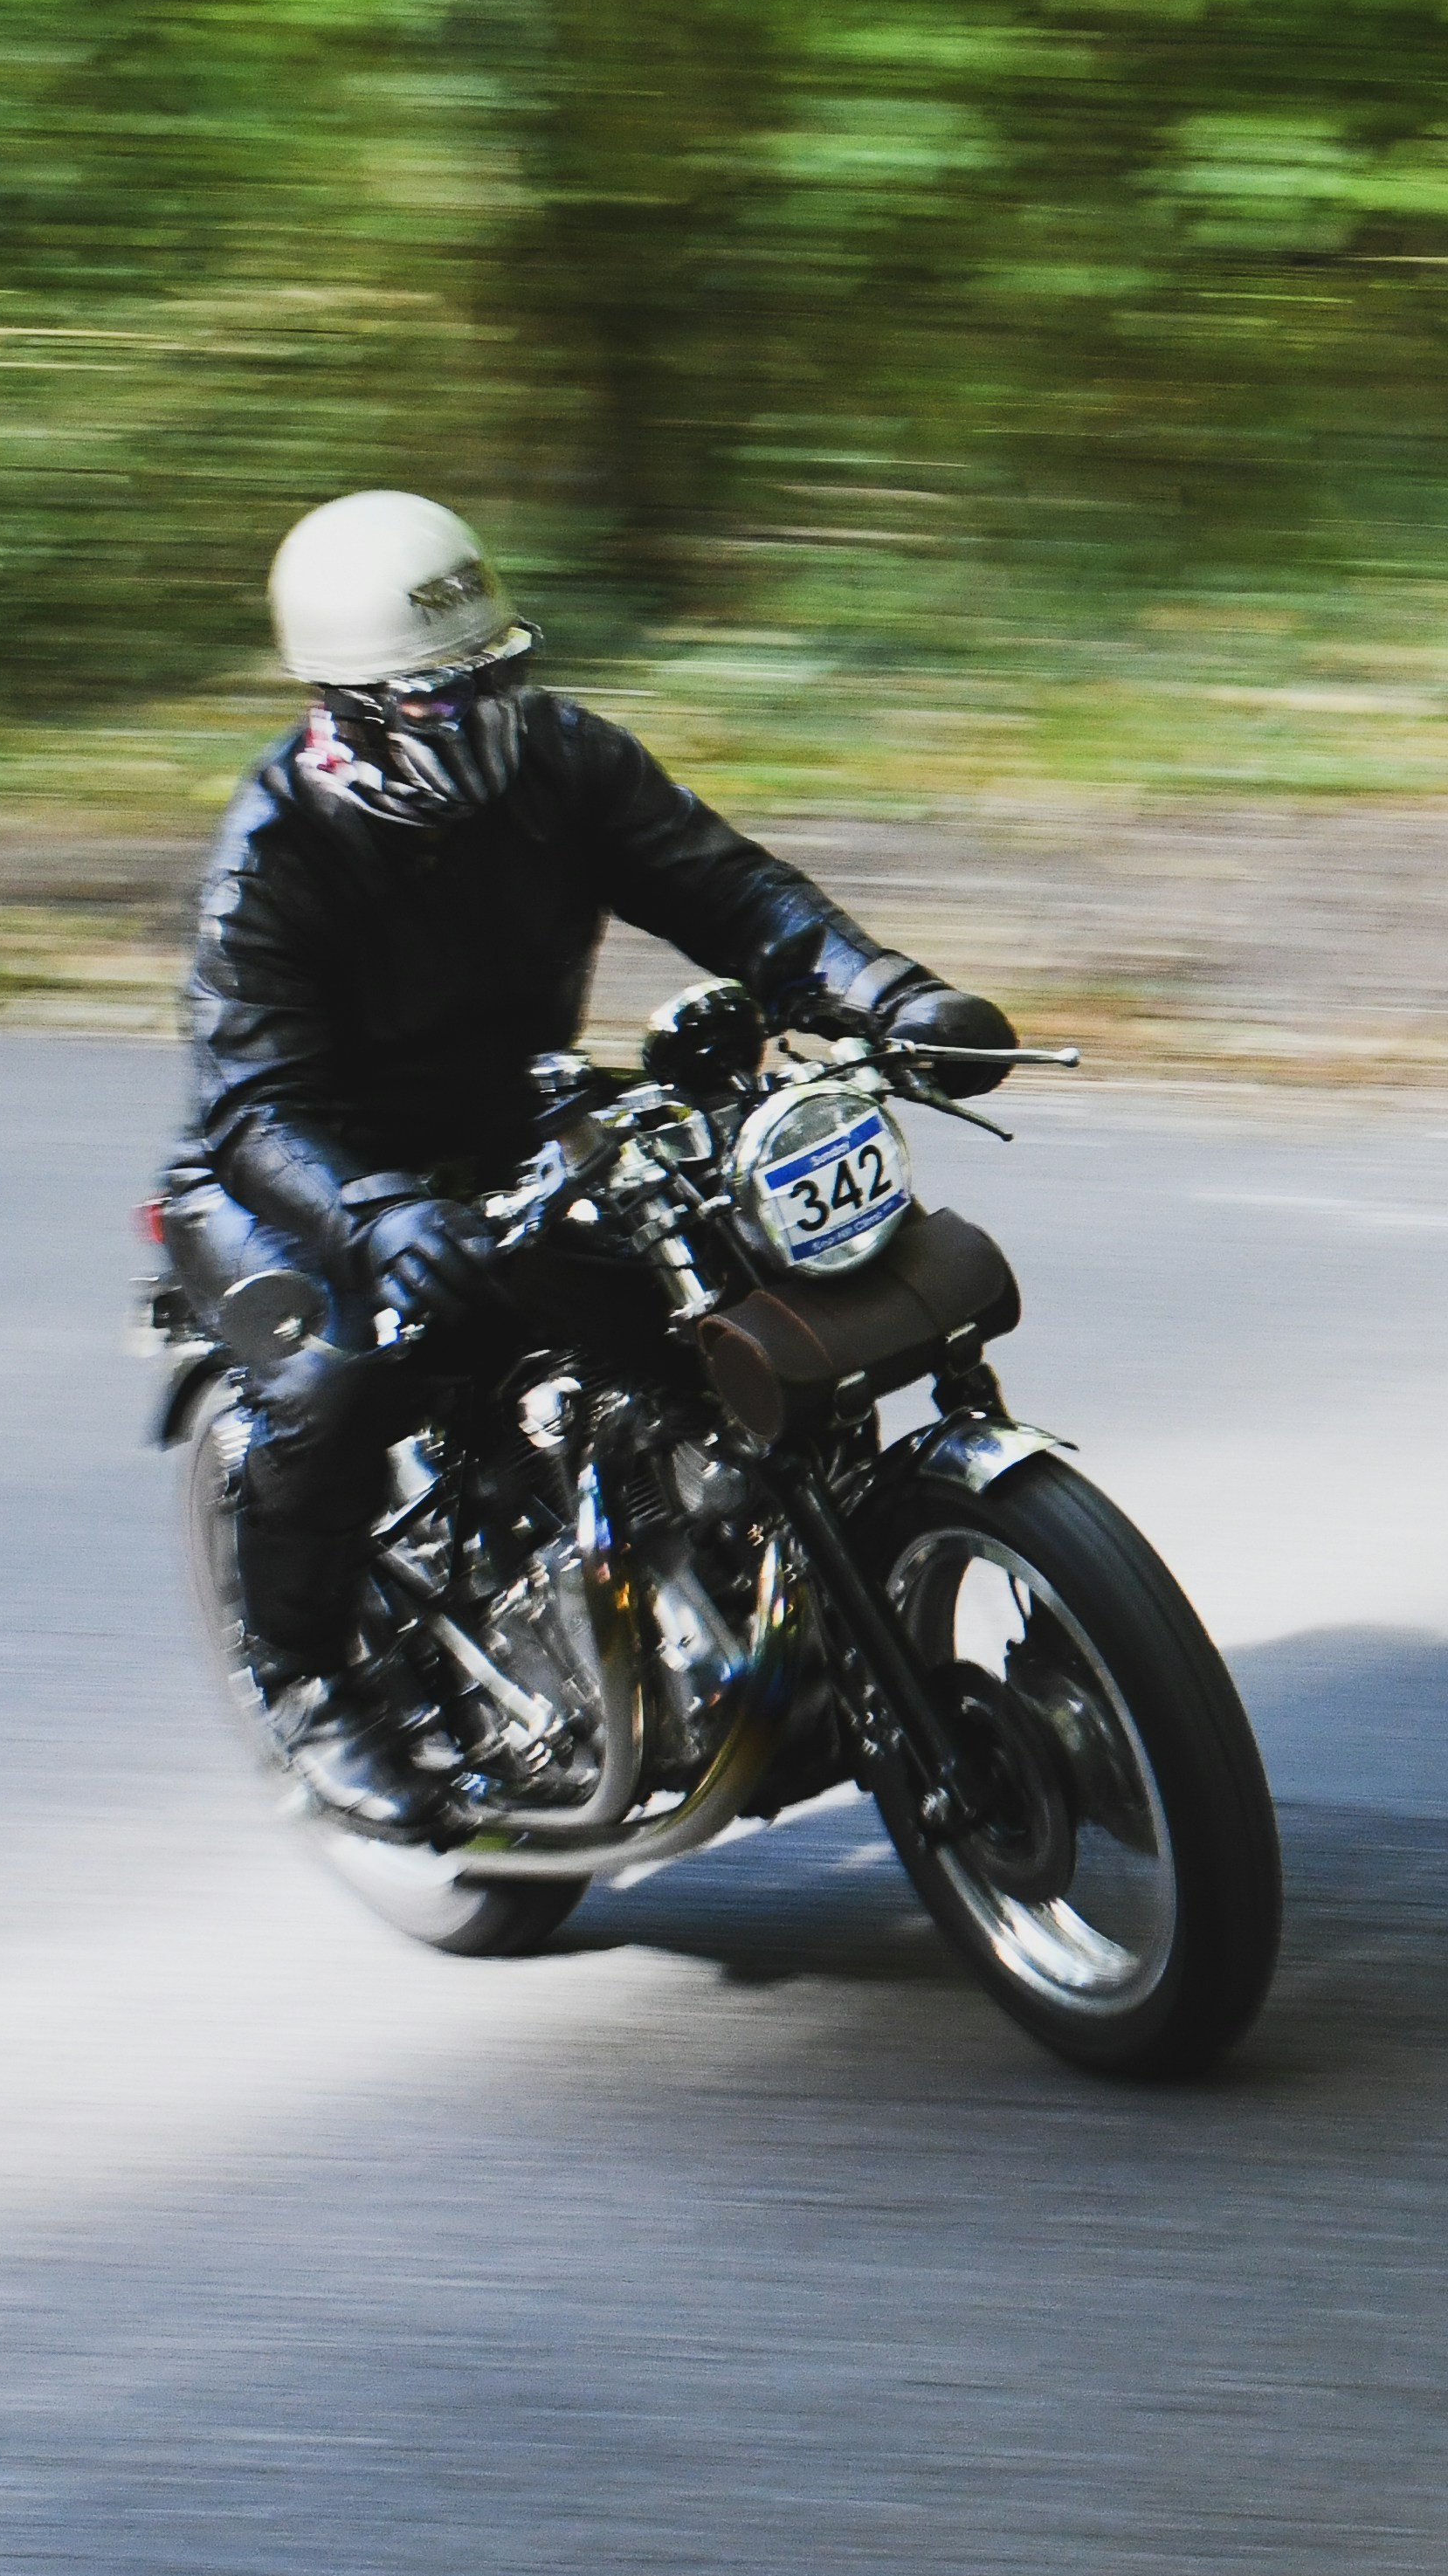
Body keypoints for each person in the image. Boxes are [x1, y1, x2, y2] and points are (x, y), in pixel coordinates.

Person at [178, 489, 1011, 1829]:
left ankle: (752, 1583)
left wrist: (889, 992)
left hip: (516, 1121)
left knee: (731, 1274)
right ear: (348, 708)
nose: (489, 718)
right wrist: (381, 1215)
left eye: (500, 678)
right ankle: (314, 1685)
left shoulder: (565, 762)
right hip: (311, 1175)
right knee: (338, 1373)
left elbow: (730, 890)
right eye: (443, 700)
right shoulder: (275, 854)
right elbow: (256, 1103)